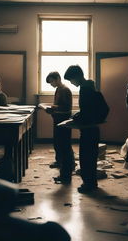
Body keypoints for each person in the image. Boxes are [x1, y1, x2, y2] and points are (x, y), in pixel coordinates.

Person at [64, 65, 99, 193]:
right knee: (91, 157)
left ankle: (88, 184)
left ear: (77, 76)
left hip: (88, 128)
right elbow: (87, 110)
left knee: (86, 157)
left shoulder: (85, 89)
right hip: (93, 128)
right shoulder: (90, 86)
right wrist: (78, 115)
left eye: (71, 80)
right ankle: (92, 183)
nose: (71, 83)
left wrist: (75, 119)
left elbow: (87, 112)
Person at [45, 72, 75, 184]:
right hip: (57, 119)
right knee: (58, 143)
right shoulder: (58, 89)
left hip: (63, 120)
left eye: (52, 81)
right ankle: (60, 162)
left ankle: (68, 166)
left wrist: (53, 108)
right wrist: (52, 108)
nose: (51, 84)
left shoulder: (65, 90)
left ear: (58, 78)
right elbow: (58, 105)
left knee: (64, 145)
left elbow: (66, 107)